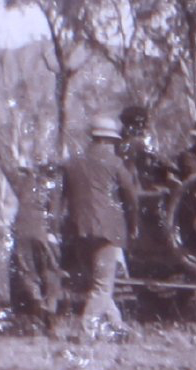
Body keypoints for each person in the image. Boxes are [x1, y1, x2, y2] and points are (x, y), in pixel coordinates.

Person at [61, 115, 139, 337]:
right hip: (107, 230)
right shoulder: (115, 163)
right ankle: (86, 332)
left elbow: (63, 197)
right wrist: (133, 224)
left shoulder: (72, 162)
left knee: (98, 284)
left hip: (78, 229)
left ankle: (118, 326)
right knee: (102, 286)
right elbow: (131, 196)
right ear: (110, 140)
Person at [0, 137, 63, 333]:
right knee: (51, 272)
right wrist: (53, 234)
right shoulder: (54, 187)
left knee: (27, 272)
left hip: (22, 231)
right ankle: (50, 314)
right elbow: (54, 213)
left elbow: (6, 165)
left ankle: (38, 309)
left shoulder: (23, 182)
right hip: (43, 232)